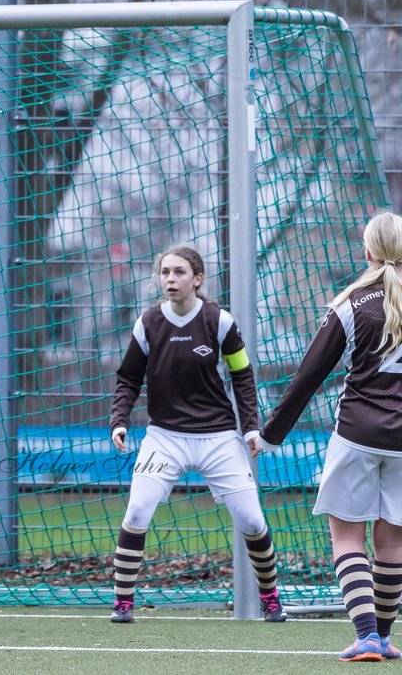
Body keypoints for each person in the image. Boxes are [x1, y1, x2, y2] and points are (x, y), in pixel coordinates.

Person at [108, 244, 286, 624]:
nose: (170, 278)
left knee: (253, 522)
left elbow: (243, 375)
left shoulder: (219, 321)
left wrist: (251, 427)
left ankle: (271, 599)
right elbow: (127, 377)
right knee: (137, 512)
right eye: (165, 272)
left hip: (219, 438)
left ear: (197, 279)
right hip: (164, 438)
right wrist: (119, 419)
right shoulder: (148, 323)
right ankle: (123, 604)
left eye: (179, 272)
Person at [259, 211, 402, 661]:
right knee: (393, 543)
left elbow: (308, 377)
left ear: (367, 251)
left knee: (346, 538)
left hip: (357, 434)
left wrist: (269, 435)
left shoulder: (351, 303)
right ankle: (382, 636)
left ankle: (366, 638)